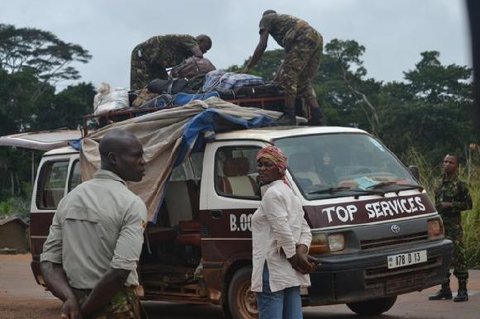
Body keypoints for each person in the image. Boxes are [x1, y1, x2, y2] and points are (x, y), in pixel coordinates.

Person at [40, 129, 148, 319]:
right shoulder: (131, 204)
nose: (143, 161)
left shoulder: (69, 199)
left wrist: (71, 301)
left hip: (76, 299)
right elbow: (119, 272)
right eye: (136, 156)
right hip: (115, 303)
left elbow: (48, 263)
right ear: (114, 158)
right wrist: (86, 311)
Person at [251, 145, 316, 318]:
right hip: (288, 270)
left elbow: (283, 232)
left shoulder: (273, 194)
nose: (262, 169)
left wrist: (296, 260)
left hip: (272, 268)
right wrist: (301, 255)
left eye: (267, 165)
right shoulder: (290, 193)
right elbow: (305, 230)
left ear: (280, 169)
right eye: (260, 165)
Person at [244, 10, 325, 126]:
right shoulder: (287, 24)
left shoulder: (267, 18)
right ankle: (318, 117)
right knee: (303, 81)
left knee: (289, 79)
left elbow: (262, 45)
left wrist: (248, 66)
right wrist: (276, 78)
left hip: (303, 36)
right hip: (316, 37)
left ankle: (289, 115)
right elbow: (288, 61)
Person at [429, 153, 472, 302]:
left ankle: (462, 290)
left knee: (459, 256)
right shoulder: (438, 182)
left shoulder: (460, 185)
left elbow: (468, 205)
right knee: (441, 256)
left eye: (451, 162)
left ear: (456, 166)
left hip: (454, 227)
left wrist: (451, 205)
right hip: (440, 227)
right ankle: (445, 290)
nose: (447, 164)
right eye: (445, 161)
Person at [130, 34, 212, 90]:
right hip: (142, 55)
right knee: (140, 88)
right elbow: (199, 56)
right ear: (200, 41)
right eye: (206, 48)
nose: (206, 51)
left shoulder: (186, 54)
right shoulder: (189, 40)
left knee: (162, 86)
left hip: (157, 65)